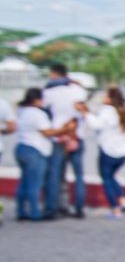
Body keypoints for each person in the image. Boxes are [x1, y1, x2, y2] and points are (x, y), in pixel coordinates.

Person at [14, 88, 74, 221]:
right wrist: (65, 129)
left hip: (22, 147)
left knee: (24, 183)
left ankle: (21, 211)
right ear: (37, 100)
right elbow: (47, 132)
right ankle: (35, 212)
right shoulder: (37, 113)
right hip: (35, 150)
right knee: (34, 184)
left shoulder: (22, 111)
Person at [76, 87, 125, 218]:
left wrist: (84, 113)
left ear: (110, 98)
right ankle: (123, 200)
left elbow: (96, 125)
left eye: (105, 95)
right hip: (123, 151)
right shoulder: (122, 111)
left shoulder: (107, 110)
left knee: (106, 179)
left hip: (108, 151)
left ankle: (115, 209)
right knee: (111, 177)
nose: (102, 97)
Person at [42, 63, 88, 219]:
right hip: (77, 136)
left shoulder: (49, 91)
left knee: (55, 174)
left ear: (54, 74)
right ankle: (79, 208)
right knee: (79, 175)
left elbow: (45, 111)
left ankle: (52, 209)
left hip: (59, 137)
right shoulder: (78, 89)